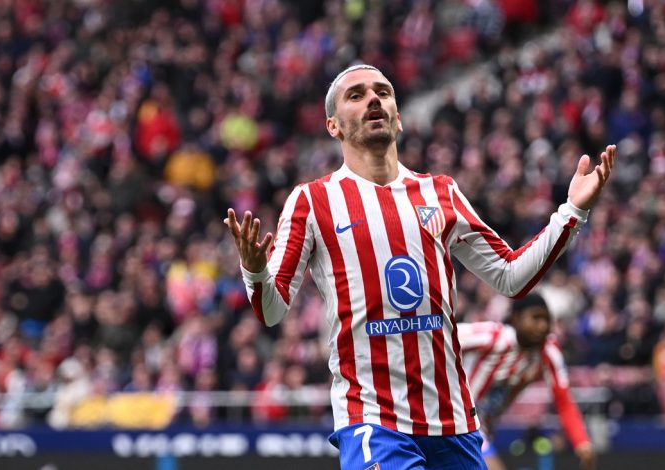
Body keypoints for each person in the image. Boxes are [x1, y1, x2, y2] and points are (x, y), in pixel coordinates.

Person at [225, 64, 616, 469]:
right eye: (356, 96)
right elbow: (271, 311)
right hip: (373, 420)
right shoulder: (311, 201)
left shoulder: (441, 192)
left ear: (398, 116)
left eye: (383, 92)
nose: (374, 99)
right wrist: (255, 271)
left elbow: (510, 275)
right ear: (333, 126)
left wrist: (571, 212)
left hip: (453, 423)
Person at [458, 293, 596, 470]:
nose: (543, 326)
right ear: (516, 318)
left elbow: (564, 400)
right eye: (536, 318)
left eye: (546, 319)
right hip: (459, 420)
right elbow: (440, 337)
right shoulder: (494, 336)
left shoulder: (548, 352)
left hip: (483, 428)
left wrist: (581, 442)